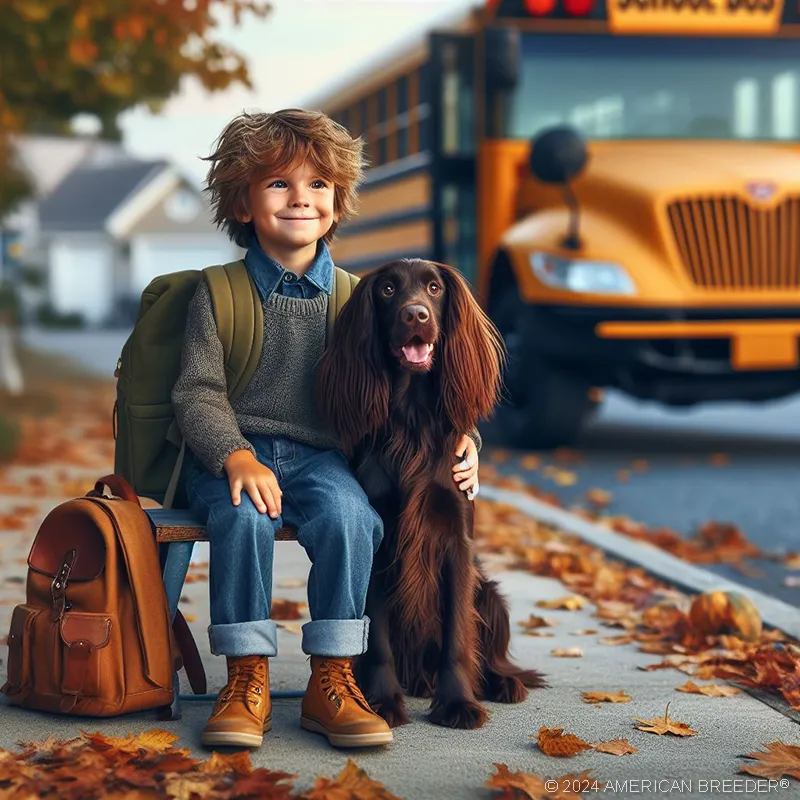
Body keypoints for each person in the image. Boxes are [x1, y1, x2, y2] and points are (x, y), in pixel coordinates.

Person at [171, 109, 482, 751]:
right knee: (243, 518)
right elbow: (197, 391)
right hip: (232, 460)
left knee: (353, 518)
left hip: (320, 461)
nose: (300, 199)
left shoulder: (358, 296)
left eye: (317, 185)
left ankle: (335, 676)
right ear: (243, 200)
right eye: (278, 185)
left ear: (338, 201)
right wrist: (233, 455)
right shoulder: (220, 292)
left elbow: (420, 389)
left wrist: (467, 440)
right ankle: (245, 677)